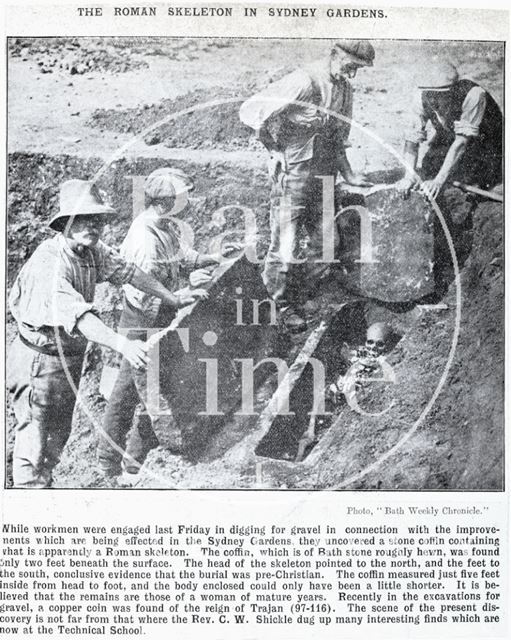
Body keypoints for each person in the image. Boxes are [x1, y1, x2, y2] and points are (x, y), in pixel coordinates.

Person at [7, 179, 204, 489]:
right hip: (40, 362)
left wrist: (172, 297)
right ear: (66, 224)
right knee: (34, 442)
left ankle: (44, 489)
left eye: (96, 219)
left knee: (56, 438)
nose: (92, 226)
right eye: (83, 219)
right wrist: (122, 343)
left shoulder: (91, 249)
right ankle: (30, 503)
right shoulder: (50, 264)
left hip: (69, 356)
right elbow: (81, 316)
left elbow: (128, 272)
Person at [98, 168, 233, 481]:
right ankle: (108, 466)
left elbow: (183, 257)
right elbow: (147, 290)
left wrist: (213, 258)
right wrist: (181, 294)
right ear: (163, 202)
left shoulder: (164, 226)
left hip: (162, 316)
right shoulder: (145, 239)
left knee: (160, 391)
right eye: (181, 198)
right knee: (127, 394)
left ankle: (133, 463)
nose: (186, 203)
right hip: (143, 321)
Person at [239, 40, 375, 333]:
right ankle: (277, 307)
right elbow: (252, 110)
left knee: (327, 244)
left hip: (324, 172)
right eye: (350, 66)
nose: (352, 74)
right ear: (335, 55)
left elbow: (339, 136)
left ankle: (301, 295)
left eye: (358, 70)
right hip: (295, 170)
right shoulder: (304, 81)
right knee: (284, 245)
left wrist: (349, 174)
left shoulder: (345, 89)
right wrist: (272, 149)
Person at [397, 61, 503, 200]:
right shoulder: (421, 96)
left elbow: (461, 142)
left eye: (440, 96)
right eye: (431, 95)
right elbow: (412, 140)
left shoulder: (474, 95)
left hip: (487, 144)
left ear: (453, 90)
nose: (434, 101)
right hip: (449, 138)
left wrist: (438, 181)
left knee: (475, 183)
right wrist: (408, 177)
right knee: (429, 167)